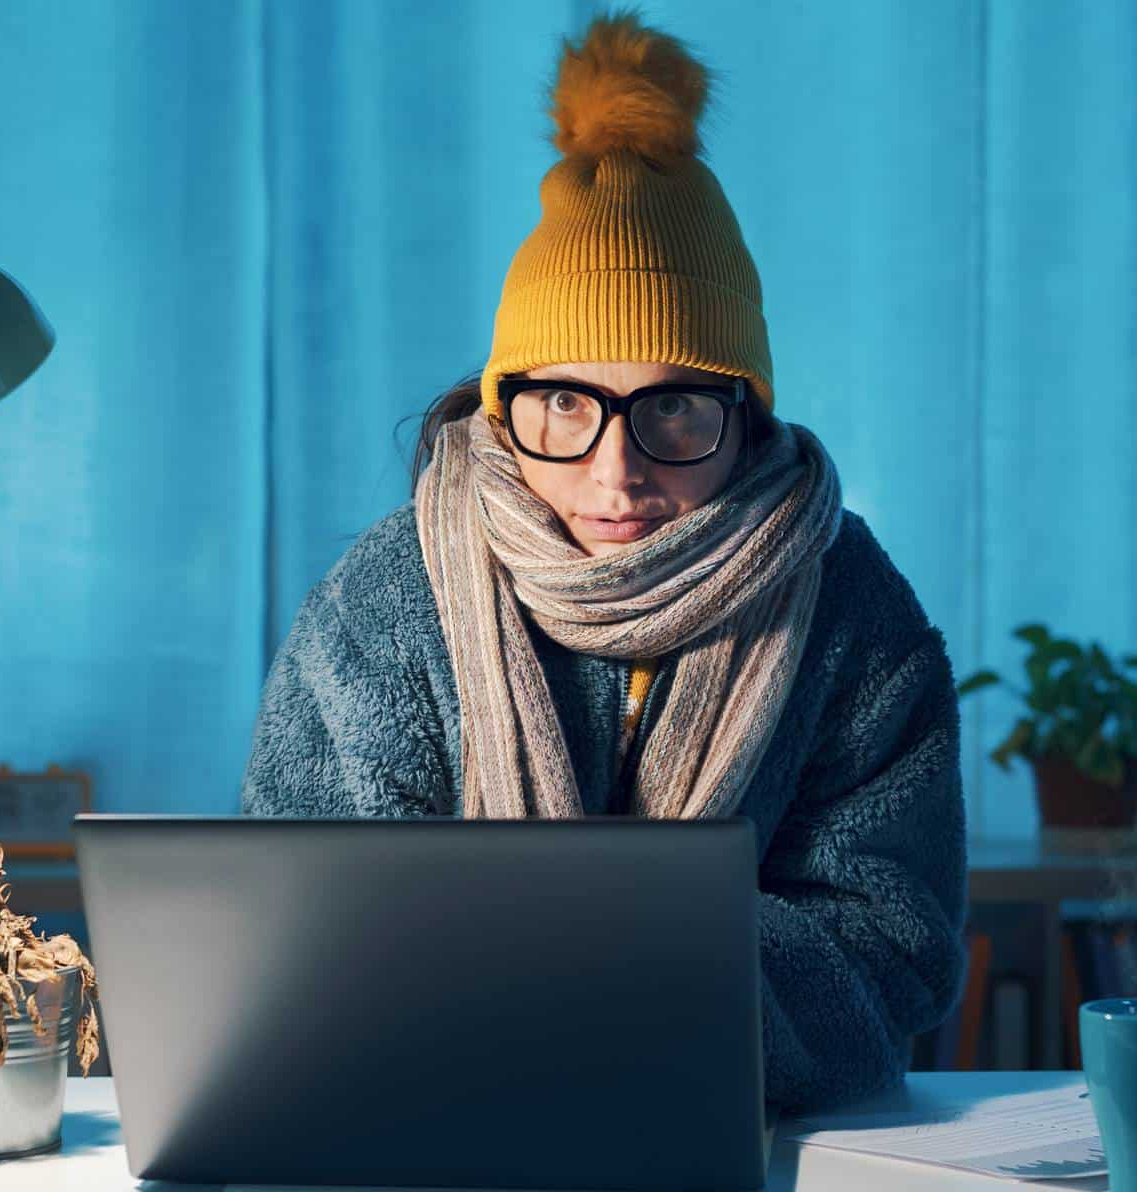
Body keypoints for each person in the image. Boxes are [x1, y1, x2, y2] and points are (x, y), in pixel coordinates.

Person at [241, 9, 967, 1116]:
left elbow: (891, 951)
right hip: (426, 1124)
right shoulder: (387, 602)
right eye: (565, 405)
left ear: (749, 415)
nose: (615, 472)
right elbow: (296, 915)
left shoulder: (853, 613)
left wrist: (584, 965)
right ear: (505, 407)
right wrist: (649, 949)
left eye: (672, 408)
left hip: (743, 1133)